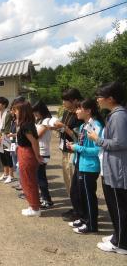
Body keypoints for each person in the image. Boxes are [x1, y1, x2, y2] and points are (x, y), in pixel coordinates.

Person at [88, 82, 127, 255]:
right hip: (114, 167)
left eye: (100, 96)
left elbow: (120, 142)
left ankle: (121, 243)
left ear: (110, 99)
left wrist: (98, 139)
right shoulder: (115, 114)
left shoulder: (119, 116)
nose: (97, 99)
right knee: (116, 205)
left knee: (119, 206)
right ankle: (118, 235)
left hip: (119, 169)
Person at [66, 99, 104, 234]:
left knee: (89, 197)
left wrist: (78, 148)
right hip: (80, 165)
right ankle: (84, 219)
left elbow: (97, 150)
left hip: (90, 166)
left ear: (88, 111)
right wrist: (73, 147)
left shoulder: (96, 125)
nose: (76, 111)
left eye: (79, 109)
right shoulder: (83, 126)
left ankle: (92, 225)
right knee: (80, 194)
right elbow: (82, 145)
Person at [53, 88, 83, 220]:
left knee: (74, 181)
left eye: (66, 100)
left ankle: (80, 211)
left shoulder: (80, 114)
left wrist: (65, 128)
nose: (64, 102)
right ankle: (75, 207)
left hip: (74, 151)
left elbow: (79, 136)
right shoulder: (66, 112)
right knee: (67, 181)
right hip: (65, 150)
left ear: (75, 100)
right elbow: (63, 129)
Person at [14, 102, 43, 217]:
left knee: (29, 181)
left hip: (27, 153)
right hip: (23, 151)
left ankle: (35, 208)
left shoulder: (26, 125)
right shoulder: (25, 124)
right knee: (26, 181)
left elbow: (34, 142)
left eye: (16, 110)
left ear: (22, 111)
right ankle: (32, 205)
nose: (15, 112)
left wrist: (37, 156)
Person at [32, 100, 53, 209]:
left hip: (42, 152)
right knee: (38, 177)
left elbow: (37, 135)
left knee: (41, 178)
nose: (35, 114)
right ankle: (44, 197)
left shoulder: (46, 121)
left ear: (41, 110)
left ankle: (47, 200)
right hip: (38, 151)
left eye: (36, 112)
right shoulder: (39, 120)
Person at [0, 97, 15, 183]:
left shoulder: (8, 114)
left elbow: (6, 129)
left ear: (4, 105)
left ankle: (11, 175)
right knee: (2, 156)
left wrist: (0, 139)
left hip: (8, 138)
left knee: (9, 156)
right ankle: (5, 174)